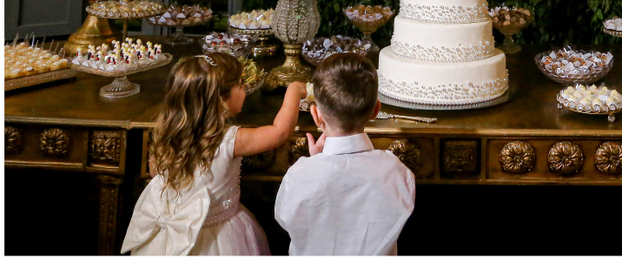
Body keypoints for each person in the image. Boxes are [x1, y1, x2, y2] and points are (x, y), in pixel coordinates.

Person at [122, 53, 306, 255]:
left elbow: (156, 174)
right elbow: (280, 133)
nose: (244, 89)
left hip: (168, 241)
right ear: (220, 99)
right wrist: (293, 91)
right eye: (239, 84)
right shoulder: (229, 139)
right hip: (220, 238)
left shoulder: (165, 132)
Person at [275, 53, 416, 255]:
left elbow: (286, 219)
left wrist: (315, 163)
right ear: (376, 110)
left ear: (316, 116)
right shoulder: (396, 172)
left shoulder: (299, 175)